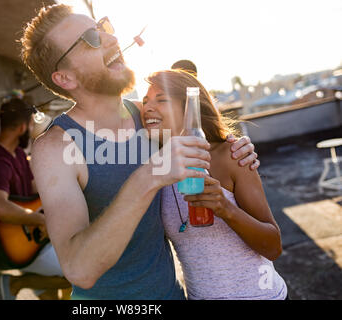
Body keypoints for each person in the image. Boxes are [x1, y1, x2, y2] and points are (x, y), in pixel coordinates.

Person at [20, 4, 258, 299]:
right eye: (91, 39)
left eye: (103, 28)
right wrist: (150, 176)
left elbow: (203, 143)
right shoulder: (54, 148)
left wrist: (236, 149)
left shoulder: (146, 116)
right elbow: (79, 270)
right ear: (66, 78)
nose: (112, 39)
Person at [141, 69, 287, 300]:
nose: (147, 107)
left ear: (190, 110)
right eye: (145, 101)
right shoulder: (155, 170)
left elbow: (273, 247)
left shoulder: (231, 155)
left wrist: (225, 208)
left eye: (161, 100)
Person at [0, 98, 71, 300]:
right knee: (76, 274)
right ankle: (15, 283)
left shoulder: (18, 154)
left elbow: (34, 190)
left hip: (31, 242)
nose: (32, 130)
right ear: (22, 127)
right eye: (31, 125)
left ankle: (17, 284)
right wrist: (39, 219)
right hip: (14, 243)